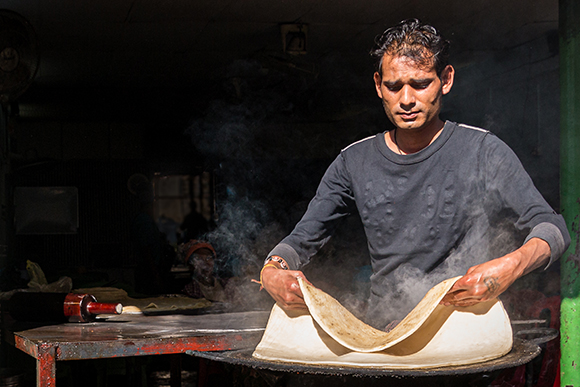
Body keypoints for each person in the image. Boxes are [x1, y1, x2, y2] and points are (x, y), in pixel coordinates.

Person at [259, 19, 571, 329]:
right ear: (379, 85)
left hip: (465, 333)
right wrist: (272, 270)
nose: (406, 99)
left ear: (446, 80)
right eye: (394, 87)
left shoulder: (483, 150)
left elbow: (552, 227)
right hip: (384, 334)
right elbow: (301, 239)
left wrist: (511, 265)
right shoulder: (353, 162)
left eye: (420, 84)